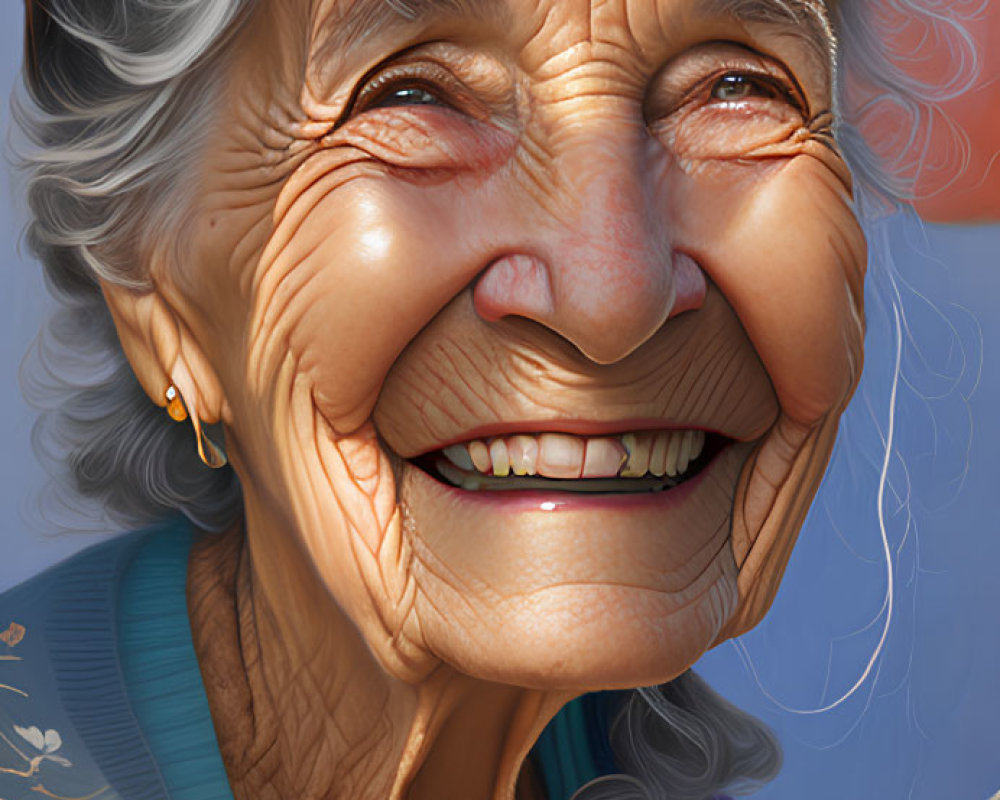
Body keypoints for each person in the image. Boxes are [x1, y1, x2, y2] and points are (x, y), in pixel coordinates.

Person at [1, 0, 887, 797]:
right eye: (412, 99)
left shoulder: (612, 762)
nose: (613, 296)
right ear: (154, 298)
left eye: (735, 86)